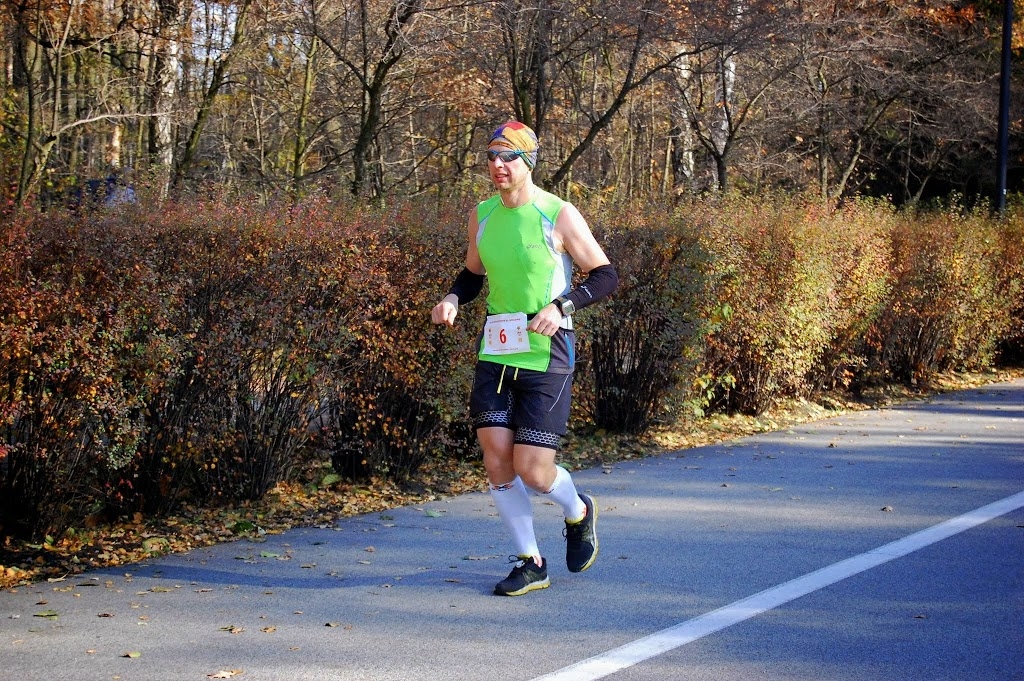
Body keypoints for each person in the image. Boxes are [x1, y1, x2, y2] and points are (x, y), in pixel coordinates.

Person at [431, 120, 618, 596]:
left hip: (547, 354)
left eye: (508, 157)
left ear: (527, 162)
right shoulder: (482, 215)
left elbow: (605, 275)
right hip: (497, 348)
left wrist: (562, 306)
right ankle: (529, 560)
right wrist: (453, 298)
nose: (497, 165)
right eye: (492, 156)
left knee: (533, 469)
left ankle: (577, 510)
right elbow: (472, 274)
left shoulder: (557, 214)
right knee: (497, 460)